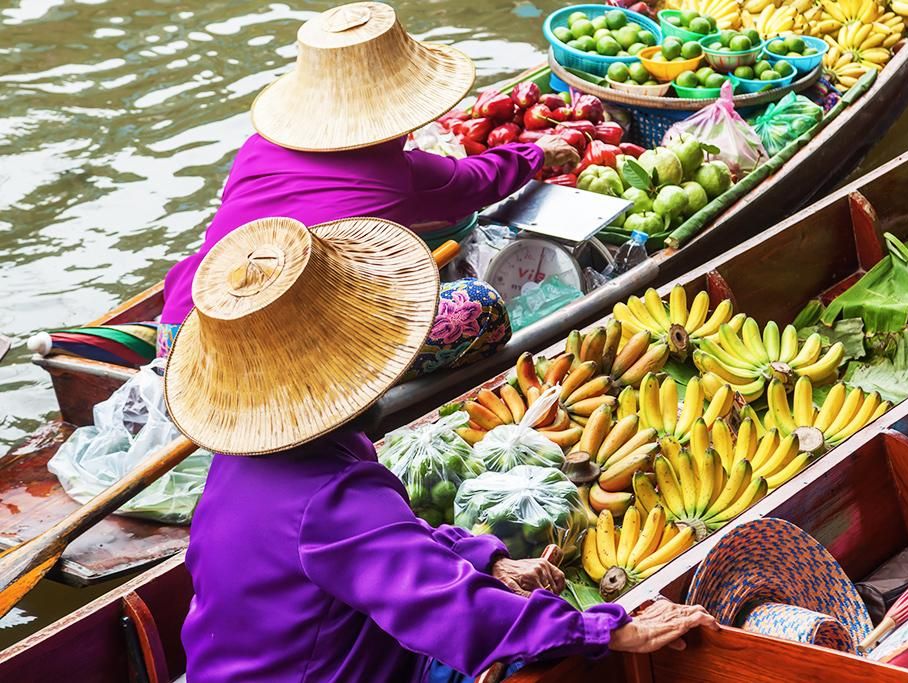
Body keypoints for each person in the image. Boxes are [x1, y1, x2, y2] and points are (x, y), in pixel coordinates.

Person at [163, 214, 716, 683]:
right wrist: (611, 628)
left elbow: (387, 544)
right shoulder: (332, 495)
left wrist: (486, 558)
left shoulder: (239, 460)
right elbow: (446, 608)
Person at [156, 1, 580, 378]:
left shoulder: (257, 148)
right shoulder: (399, 175)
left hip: (182, 328)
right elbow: (477, 181)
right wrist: (537, 154)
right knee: (478, 307)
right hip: (275, 361)